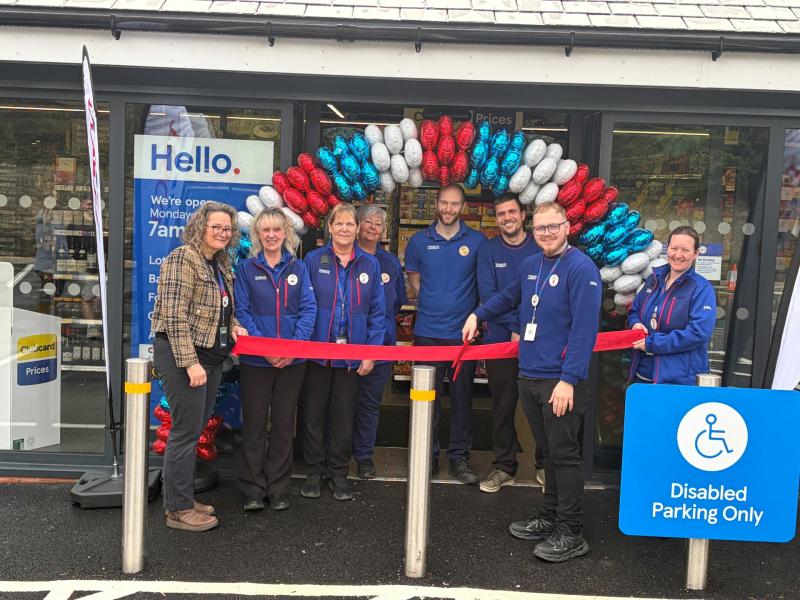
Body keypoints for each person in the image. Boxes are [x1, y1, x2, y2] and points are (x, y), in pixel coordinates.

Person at [462, 202, 601, 562]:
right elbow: (509, 298)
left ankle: (571, 531)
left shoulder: (581, 268)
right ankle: (551, 516)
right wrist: (477, 314)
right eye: (541, 229)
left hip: (560, 382)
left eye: (553, 227)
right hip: (530, 375)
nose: (547, 234)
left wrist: (569, 380)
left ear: (567, 226)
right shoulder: (532, 265)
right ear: (534, 231)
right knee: (550, 453)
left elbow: (585, 331)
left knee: (565, 455)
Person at [151, 201, 247, 532]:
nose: (223, 233)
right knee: (184, 432)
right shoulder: (183, 259)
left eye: (228, 228)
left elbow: (220, 309)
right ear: (200, 228)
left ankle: (184, 497)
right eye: (216, 227)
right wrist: (189, 363)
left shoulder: (218, 263)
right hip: (184, 357)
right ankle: (177, 510)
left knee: (192, 431)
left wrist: (234, 325)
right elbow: (174, 316)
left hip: (211, 357)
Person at [300, 203, 386, 501]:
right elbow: (303, 307)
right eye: (340, 224)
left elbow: (377, 313)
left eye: (351, 224)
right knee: (313, 414)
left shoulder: (370, 265)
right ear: (331, 227)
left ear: (357, 228)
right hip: (317, 355)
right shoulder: (313, 260)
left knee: (343, 416)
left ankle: (338, 472)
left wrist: (370, 353)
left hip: (351, 357)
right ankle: (313, 471)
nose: (346, 229)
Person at [234, 208, 317, 512]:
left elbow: (309, 310)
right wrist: (263, 348)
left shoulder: (299, 268)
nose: (271, 235)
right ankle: (253, 488)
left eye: (276, 230)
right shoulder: (245, 269)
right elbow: (242, 312)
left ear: (286, 234)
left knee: (283, 426)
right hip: (257, 362)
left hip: (292, 363)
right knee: (255, 424)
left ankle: (278, 488)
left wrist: (293, 349)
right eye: (264, 230)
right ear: (256, 234)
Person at [405, 183, 486, 484]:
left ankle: (459, 458)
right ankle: (427, 455)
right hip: (427, 332)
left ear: (462, 207)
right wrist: (435, 302)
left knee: (463, 398)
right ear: (436, 204)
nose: (448, 209)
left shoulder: (478, 242)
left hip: (462, 337)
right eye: (444, 203)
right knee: (426, 398)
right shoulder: (418, 241)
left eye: (454, 204)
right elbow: (414, 280)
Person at [475, 194, 542, 493]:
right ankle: (504, 466)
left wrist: (521, 326)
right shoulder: (487, 250)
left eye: (512, 211)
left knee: (541, 405)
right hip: (498, 342)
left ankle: (545, 465)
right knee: (502, 405)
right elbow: (489, 298)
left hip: (539, 342)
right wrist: (513, 327)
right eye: (501, 213)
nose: (507, 218)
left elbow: (543, 296)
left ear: (523, 214)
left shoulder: (540, 246)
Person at [352, 205, 407, 479]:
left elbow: (396, 302)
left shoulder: (390, 262)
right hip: (347, 345)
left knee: (370, 404)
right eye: (368, 222)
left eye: (378, 224)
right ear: (357, 225)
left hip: (381, 345)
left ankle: (364, 456)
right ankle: (335, 455)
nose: (373, 227)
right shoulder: (347, 257)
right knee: (340, 403)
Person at [628, 225, 716, 385]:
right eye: (674, 248)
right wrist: (636, 324)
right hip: (642, 375)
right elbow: (634, 311)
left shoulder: (702, 288)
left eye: (685, 250)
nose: (678, 255)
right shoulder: (653, 279)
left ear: (696, 254)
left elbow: (698, 333)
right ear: (666, 249)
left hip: (677, 380)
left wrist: (653, 344)